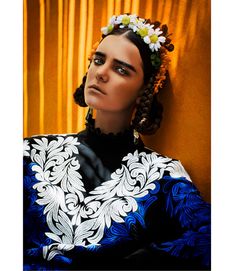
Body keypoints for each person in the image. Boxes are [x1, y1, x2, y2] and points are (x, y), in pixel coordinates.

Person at [23, 14, 211, 270]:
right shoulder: (30, 154)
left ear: (144, 89)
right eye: (98, 60)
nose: (101, 73)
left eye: (121, 69)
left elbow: (211, 237)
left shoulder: (164, 176)